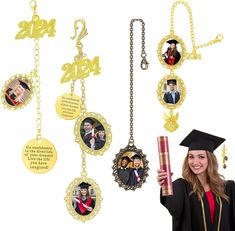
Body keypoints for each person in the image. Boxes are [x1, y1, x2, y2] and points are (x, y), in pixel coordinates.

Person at [157, 129, 235, 231]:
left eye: (201, 157)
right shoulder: (182, 187)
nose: (195, 162)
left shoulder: (228, 188)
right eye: (191, 157)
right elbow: (174, 210)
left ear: (210, 160)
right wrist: (165, 185)